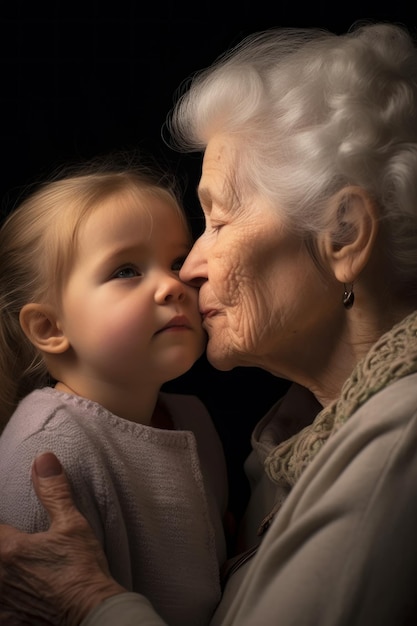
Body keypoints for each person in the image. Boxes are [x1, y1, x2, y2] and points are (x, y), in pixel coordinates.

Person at [1, 19, 417, 626]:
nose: (188, 271)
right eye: (125, 270)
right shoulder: (281, 450)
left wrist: (89, 605)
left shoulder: (397, 443)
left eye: (218, 221)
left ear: (344, 236)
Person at [0, 157, 229, 626]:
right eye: (126, 270)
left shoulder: (193, 417)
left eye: (176, 262)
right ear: (49, 326)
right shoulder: (47, 451)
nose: (173, 285)